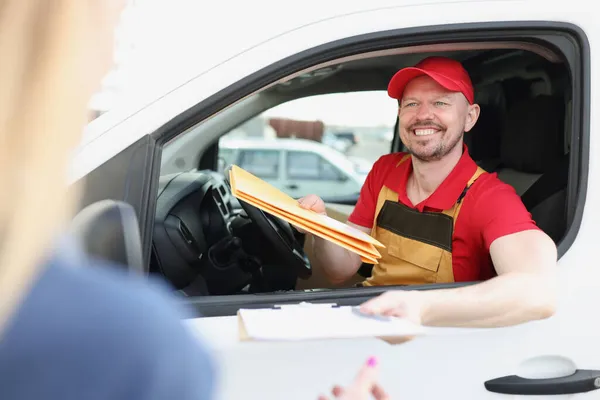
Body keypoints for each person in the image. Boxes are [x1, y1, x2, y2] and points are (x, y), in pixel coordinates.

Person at [0, 1, 386, 399]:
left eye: (439, 101)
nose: (109, 57)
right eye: (107, 26)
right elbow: (343, 271)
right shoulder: (132, 346)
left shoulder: (118, 341)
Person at [298, 56, 558, 328]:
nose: (423, 114)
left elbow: (537, 292)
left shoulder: (489, 197)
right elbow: (341, 269)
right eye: (411, 103)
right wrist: (319, 225)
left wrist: (420, 307)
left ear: (470, 117)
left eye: (440, 102)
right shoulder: (385, 170)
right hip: (372, 321)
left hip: (435, 341)